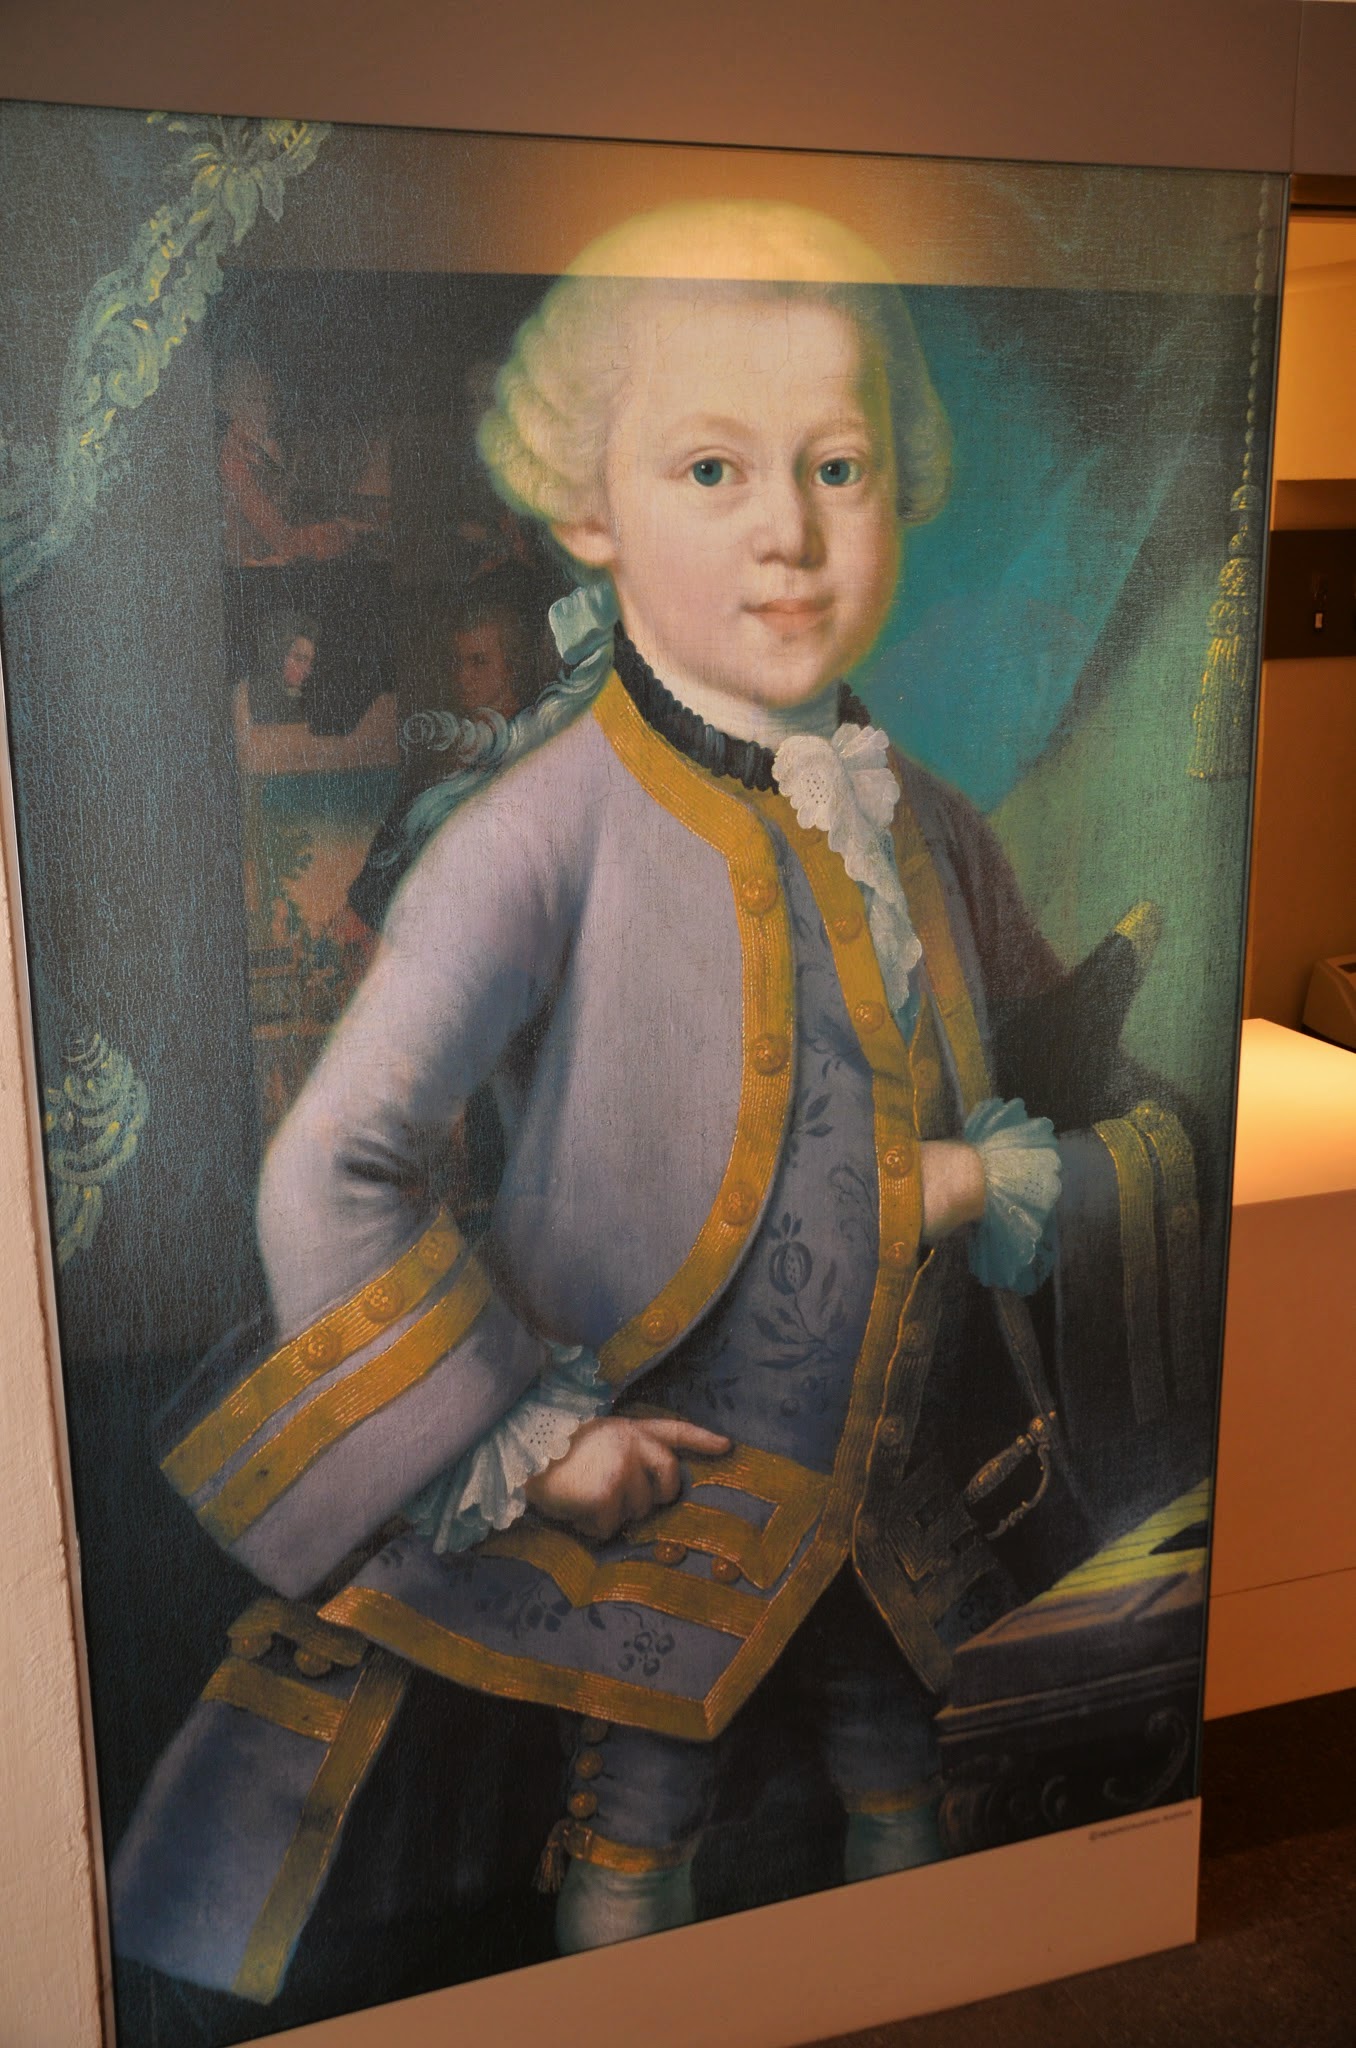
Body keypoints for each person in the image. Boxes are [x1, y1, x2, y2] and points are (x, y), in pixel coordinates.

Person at [115, 201, 1206, 1997]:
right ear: (587, 507)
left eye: (838, 467)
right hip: (652, 1500)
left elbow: (1037, 1089)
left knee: (902, 1774)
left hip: (896, 1494)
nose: (790, 530)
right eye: (713, 469)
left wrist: (1005, 1178)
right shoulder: (534, 831)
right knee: (640, 1821)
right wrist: (532, 1444)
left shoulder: (925, 819)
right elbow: (334, 1168)